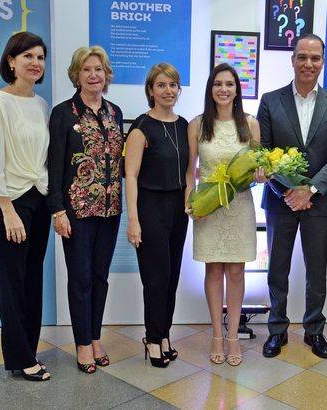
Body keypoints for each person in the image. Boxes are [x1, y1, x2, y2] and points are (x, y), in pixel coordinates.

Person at [257, 34, 327, 359]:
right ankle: (277, 331)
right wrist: (287, 191)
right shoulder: (270, 100)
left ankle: (314, 332)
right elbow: (264, 153)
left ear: (323, 61)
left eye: (315, 58)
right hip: (280, 201)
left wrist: (309, 189)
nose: (308, 64)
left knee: (317, 272)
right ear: (292, 59)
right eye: (302, 57)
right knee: (277, 268)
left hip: (320, 202)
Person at [47, 46, 124, 374]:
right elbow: (54, 165)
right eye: (87, 69)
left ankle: (95, 337)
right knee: (80, 279)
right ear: (76, 75)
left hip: (110, 209)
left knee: (100, 277)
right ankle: (81, 343)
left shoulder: (115, 112)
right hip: (76, 210)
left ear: (107, 75)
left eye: (100, 69)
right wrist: (57, 210)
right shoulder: (64, 113)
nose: (94, 75)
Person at [0, 32, 51, 381]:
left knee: (32, 281)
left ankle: (29, 351)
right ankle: (21, 359)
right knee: (12, 284)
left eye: (40, 57)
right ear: (11, 61)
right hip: (7, 203)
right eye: (27, 57)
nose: (35, 63)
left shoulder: (40, 104)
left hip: (37, 199)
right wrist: (7, 210)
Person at [185, 63, 262, 366]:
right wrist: (191, 203)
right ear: (210, 88)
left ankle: (233, 337)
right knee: (213, 271)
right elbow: (190, 170)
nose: (224, 90)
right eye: (218, 84)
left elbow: (259, 166)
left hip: (239, 205)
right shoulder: (198, 124)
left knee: (237, 271)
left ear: (237, 90)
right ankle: (216, 335)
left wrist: (262, 174)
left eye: (229, 84)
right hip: (208, 206)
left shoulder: (250, 123)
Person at [125, 63, 189, 368]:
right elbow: (131, 176)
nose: (168, 91)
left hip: (179, 210)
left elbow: (189, 172)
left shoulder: (184, 125)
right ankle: (152, 339)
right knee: (156, 278)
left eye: (173, 85)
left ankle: (164, 334)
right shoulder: (140, 128)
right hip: (150, 209)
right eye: (161, 85)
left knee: (172, 276)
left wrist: (191, 203)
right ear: (151, 90)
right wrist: (134, 220)